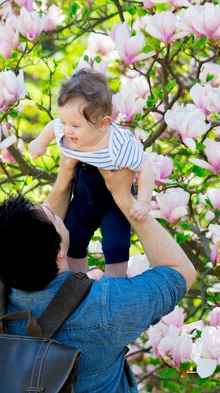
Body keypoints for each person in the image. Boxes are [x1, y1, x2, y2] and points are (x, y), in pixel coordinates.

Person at [0, 156, 196, 393]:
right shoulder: (105, 308)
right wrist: (126, 200)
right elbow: (181, 272)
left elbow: (29, 242)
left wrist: (65, 177)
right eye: (55, 218)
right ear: (58, 253)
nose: (54, 211)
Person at [28, 69, 155, 277]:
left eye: (75, 125)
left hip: (113, 202)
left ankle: (115, 285)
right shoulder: (66, 129)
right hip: (83, 193)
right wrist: (41, 142)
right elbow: (53, 127)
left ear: (103, 123)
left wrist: (142, 202)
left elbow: (145, 168)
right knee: (72, 237)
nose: (67, 130)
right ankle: (77, 282)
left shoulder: (119, 145)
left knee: (116, 245)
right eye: (65, 122)